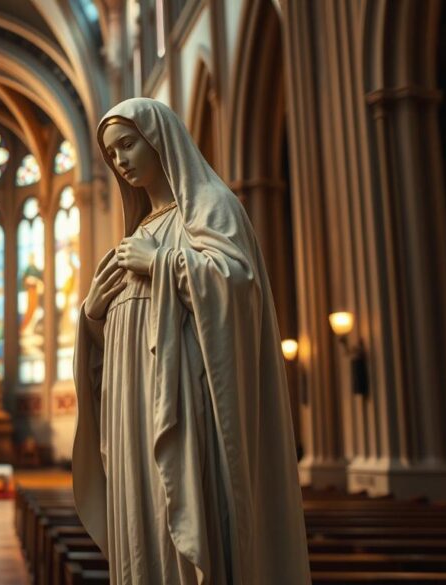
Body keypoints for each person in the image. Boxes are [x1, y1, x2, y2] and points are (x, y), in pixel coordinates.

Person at [72, 97, 311, 584]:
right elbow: (120, 332)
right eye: (112, 153)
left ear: (160, 139)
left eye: (127, 144)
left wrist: (161, 263)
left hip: (182, 408)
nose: (120, 160)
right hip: (131, 413)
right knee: (140, 527)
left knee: (176, 520)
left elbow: (237, 284)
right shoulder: (140, 228)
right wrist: (92, 314)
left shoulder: (211, 207)